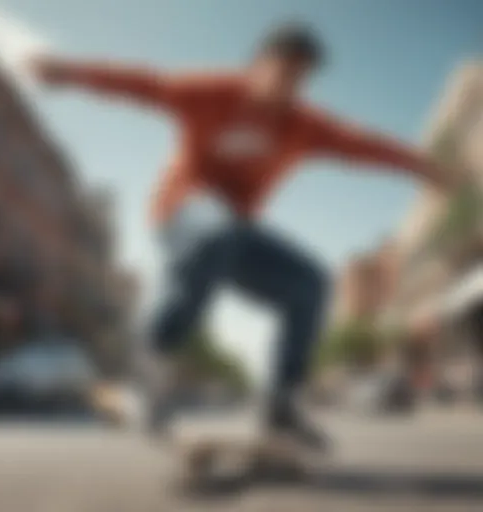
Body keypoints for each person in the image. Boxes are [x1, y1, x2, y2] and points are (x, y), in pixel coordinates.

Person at [30, 23, 456, 447]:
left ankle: (281, 408)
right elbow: (145, 85)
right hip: (181, 213)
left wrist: (422, 165)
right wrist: (70, 72)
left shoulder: (305, 125)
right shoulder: (210, 92)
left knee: (310, 284)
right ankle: (149, 369)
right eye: (281, 73)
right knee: (216, 228)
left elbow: (364, 145)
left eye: (299, 79)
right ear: (256, 66)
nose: (287, 87)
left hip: (236, 235)